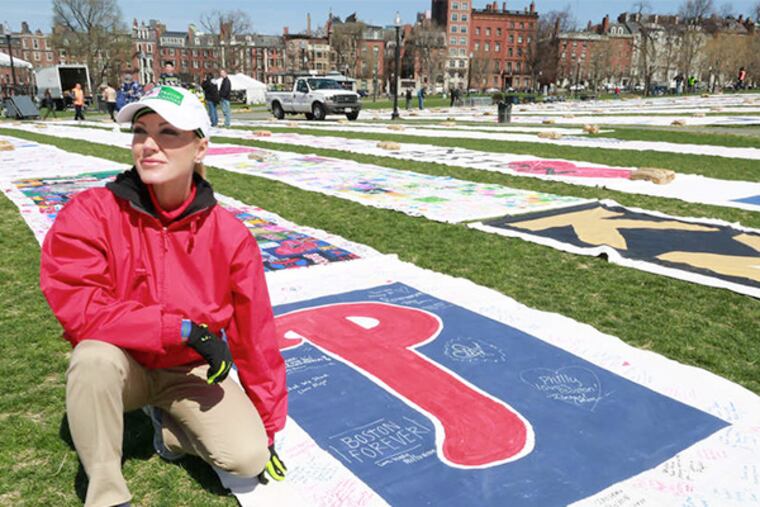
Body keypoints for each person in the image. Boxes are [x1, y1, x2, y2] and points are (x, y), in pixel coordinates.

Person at [40, 85, 288, 506]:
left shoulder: (230, 236)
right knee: (92, 359)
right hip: (125, 364)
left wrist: (266, 427)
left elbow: (256, 338)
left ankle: (170, 430)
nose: (149, 145)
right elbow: (80, 308)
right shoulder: (92, 212)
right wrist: (183, 329)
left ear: (200, 148)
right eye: (140, 131)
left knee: (248, 459)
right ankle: (106, 491)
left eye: (169, 132)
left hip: (186, 373)